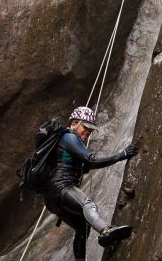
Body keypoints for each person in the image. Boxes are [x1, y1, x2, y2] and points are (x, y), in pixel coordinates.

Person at [43, 106, 138, 261]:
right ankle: (105, 230)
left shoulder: (65, 141)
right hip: (61, 188)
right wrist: (122, 155)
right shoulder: (69, 136)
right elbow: (92, 160)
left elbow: (85, 165)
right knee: (88, 205)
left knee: (82, 226)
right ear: (74, 123)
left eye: (90, 131)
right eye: (85, 128)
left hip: (52, 198)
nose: (87, 133)